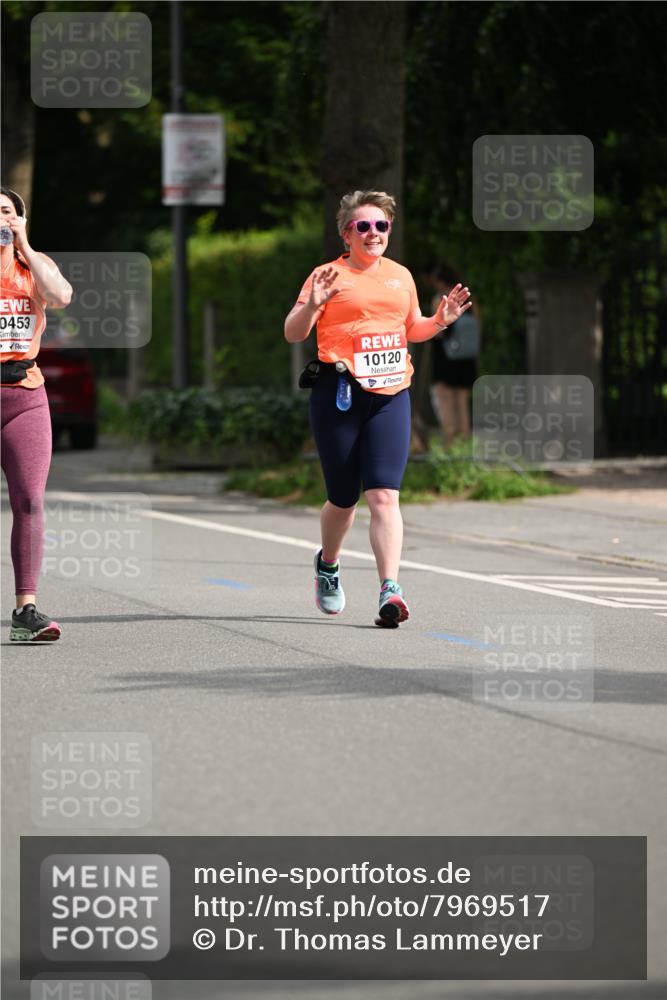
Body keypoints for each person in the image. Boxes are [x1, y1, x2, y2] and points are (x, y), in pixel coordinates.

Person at [284, 190, 472, 628]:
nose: (374, 233)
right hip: (339, 393)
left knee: (385, 495)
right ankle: (328, 565)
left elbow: (413, 329)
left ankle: (390, 588)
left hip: (391, 394)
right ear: (346, 234)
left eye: (381, 226)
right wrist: (312, 305)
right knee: (343, 499)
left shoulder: (401, 277)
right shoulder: (326, 275)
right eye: (363, 226)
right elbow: (293, 333)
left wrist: (440, 320)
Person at [1, 187, 72, 641]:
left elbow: (61, 296)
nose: (0, 219)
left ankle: (26, 610)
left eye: (6, 211)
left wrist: (24, 244)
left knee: (29, 500)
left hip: (25, 394)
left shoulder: (34, 264)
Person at [427, 263, 482, 446]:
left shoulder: (440, 300)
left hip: (445, 357)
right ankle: (464, 452)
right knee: (462, 404)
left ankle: (449, 450)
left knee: (446, 403)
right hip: (467, 358)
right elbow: (477, 327)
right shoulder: (468, 299)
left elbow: (438, 331)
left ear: (438, 280)